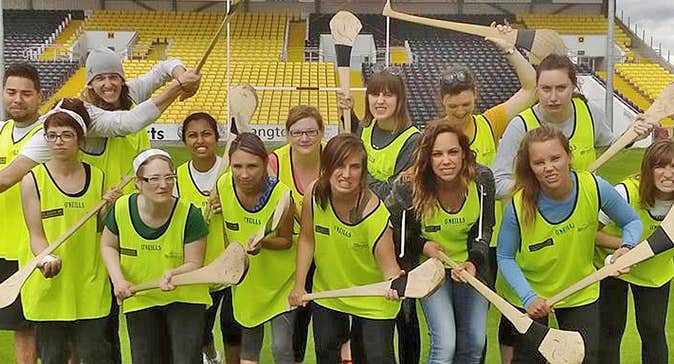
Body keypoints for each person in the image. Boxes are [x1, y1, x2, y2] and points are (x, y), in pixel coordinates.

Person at [496, 125, 642, 364]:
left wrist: (627, 246)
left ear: (568, 156)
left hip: (579, 290)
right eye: (539, 162)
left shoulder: (594, 187)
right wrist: (528, 297)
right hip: (531, 294)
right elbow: (505, 257)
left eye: (556, 158)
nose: (549, 168)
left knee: (585, 357)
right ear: (530, 167)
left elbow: (631, 221)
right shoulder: (519, 206)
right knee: (532, 360)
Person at [0, 47, 201, 194]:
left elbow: (165, 66)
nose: (108, 85)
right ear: (89, 84)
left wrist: (182, 75)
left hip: (135, 202)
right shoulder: (82, 115)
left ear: (122, 80)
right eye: (99, 79)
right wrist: (178, 87)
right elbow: (128, 123)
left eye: (113, 77)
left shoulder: (131, 92)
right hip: (95, 207)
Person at [288, 133, 403, 364]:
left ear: (363, 171)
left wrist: (395, 283)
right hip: (330, 292)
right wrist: (299, 285)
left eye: (355, 167)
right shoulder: (314, 194)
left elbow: (390, 269)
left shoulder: (374, 213)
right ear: (327, 166)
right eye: (339, 165)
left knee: (376, 357)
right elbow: (307, 239)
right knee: (325, 351)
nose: (346, 174)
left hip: (373, 298)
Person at [387, 121, 494, 364]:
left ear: (464, 153)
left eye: (453, 152)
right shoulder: (409, 186)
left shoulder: (482, 179)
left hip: (469, 268)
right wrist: (423, 246)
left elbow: (484, 228)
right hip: (431, 272)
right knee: (445, 344)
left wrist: (473, 262)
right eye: (437, 154)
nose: (446, 160)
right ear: (427, 158)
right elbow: (398, 234)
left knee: (474, 343)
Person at [20, 98, 118, 364]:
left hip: (89, 282)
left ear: (81, 141)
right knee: (52, 357)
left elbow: (101, 228)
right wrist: (45, 259)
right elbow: (35, 233)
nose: (58, 141)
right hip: (49, 284)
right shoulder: (33, 180)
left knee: (94, 355)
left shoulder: (97, 177)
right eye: (52, 135)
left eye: (66, 135)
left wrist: (108, 207)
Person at [339, 65, 421, 364]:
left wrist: (364, 182)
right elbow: (348, 172)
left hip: (401, 241)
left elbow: (397, 197)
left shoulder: (413, 139)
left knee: (405, 318)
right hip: (364, 238)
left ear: (400, 99)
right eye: (374, 93)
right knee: (365, 313)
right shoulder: (365, 129)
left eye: (388, 94)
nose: (380, 100)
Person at [492, 53, 655, 199]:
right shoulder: (520, 126)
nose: (553, 97)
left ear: (574, 86)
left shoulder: (591, 113)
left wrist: (630, 135)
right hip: (536, 220)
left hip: (583, 215)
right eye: (546, 89)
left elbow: (609, 147)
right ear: (537, 89)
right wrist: (542, 188)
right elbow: (498, 184)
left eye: (561, 88)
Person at [100, 149, 211, 363]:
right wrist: (118, 281)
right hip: (141, 297)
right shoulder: (122, 208)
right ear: (138, 182)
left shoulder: (190, 214)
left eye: (169, 177)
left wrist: (175, 273)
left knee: (185, 359)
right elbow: (108, 245)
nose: (164, 185)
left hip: (184, 297)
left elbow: (194, 262)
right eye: (154, 179)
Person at [216, 133, 296, 364]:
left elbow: (286, 241)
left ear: (265, 163)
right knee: (249, 348)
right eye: (237, 166)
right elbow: (227, 231)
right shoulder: (224, 185)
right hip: (247, 283)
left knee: (281, 347)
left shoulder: (282, 195)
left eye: (252, 166)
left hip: (280, 284)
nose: (244, 174)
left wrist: (263, 243)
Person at [595, 139, 674, 364]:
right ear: (648, 170)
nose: (668, 174)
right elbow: (590, 233)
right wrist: (625, 246)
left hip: (654, 272)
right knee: (611, 328)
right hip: (611, 267)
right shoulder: (624, 193)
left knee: (653, 329)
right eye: (660, 166)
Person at [175, 112, 241, 364]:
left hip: (232, 264)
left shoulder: (231, 173)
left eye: (206, 133)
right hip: (198, 268)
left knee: (233, 327)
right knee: (200, 329)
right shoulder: (177, 177)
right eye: (192, 135)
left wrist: (229, 205)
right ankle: (212, 356)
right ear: (184, 141)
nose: (200, 140)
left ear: (217, 137)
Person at [268, 105, 324, 364]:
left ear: (322, 132)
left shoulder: (333, 160)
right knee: (289, 331)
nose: (304, 138)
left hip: (328, 253)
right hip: (288, 256)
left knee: (329, 328)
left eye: (311, 132)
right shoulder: (274, 163)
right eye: (297, 132)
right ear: (288, 134)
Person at [0, 62, 43, 364]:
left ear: (40, 96)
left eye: (26, 93)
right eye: (11, 92)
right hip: (4, 245)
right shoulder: (2, 131)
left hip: (35, 246)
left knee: (51, 327)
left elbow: (5, 179)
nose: (17, 99)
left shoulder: (48, 133)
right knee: (20, 327)